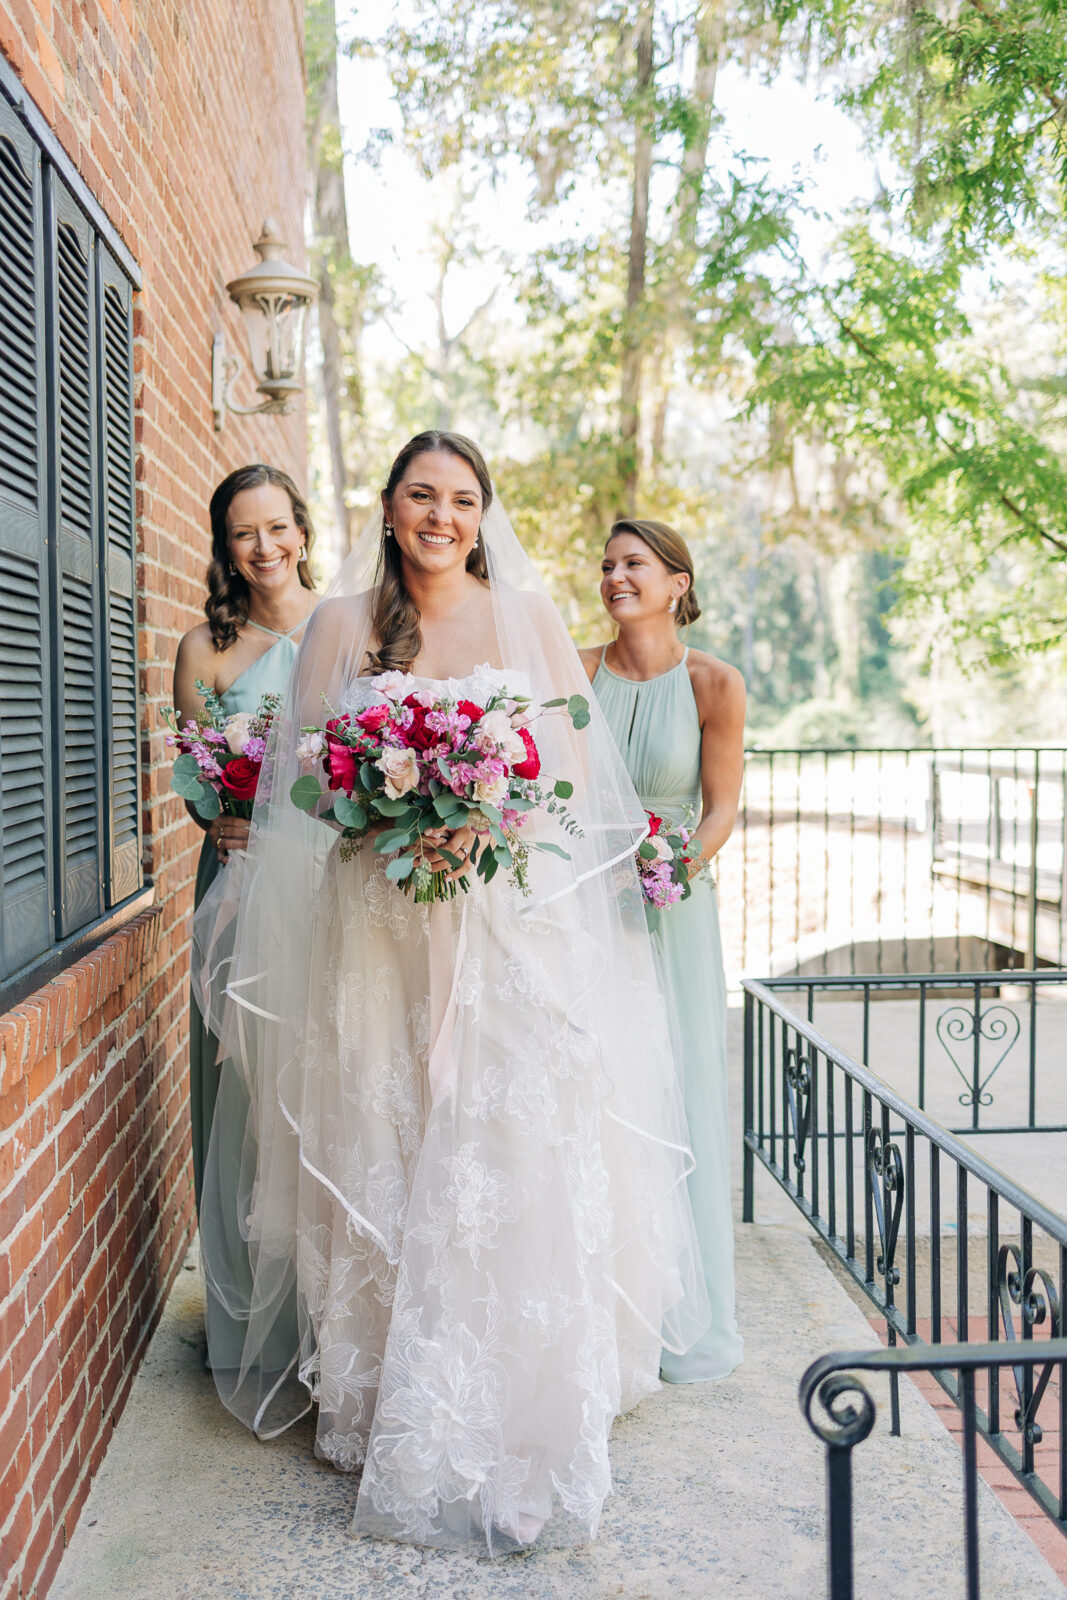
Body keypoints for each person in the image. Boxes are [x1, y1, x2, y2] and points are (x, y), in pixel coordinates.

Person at [195, 432, 708, 1553]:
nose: (442, 514)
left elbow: (567, 786)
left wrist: (480, 809)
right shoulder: (337, 624)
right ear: (387, 507)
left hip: (497, 920)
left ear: (483, 514)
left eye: (462, 498)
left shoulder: (520, 618)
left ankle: (517, 1392)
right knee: (389, 1131)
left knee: (500, 1140)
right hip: (376, 926)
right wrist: (382, 807)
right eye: (421, 495)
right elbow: (302, 780)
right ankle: (391, 1392)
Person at [580, 518, 745, 1383]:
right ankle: (603, 1300)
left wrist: (668, 863)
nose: (614, 577)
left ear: (677, 581)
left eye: (633, 564)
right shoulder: (576, 673)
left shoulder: (714, 682)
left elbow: (719, 808)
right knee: (598, 1089)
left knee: (675, 1087)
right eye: (607, 565)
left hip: (671, 903)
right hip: (584, 906)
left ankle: (684, 1310)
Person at [173, 464, 317, 1218]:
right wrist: (217, 817)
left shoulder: (346, 624)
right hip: (238, 878)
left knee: (321, 1067)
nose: (264, 546)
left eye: (276, 527)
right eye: (243, 533)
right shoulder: (206, 646)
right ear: (225, 549)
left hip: (325, 880)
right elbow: (196, 769)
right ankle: (248, 1298)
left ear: (301, 530)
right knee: (246, 1071)